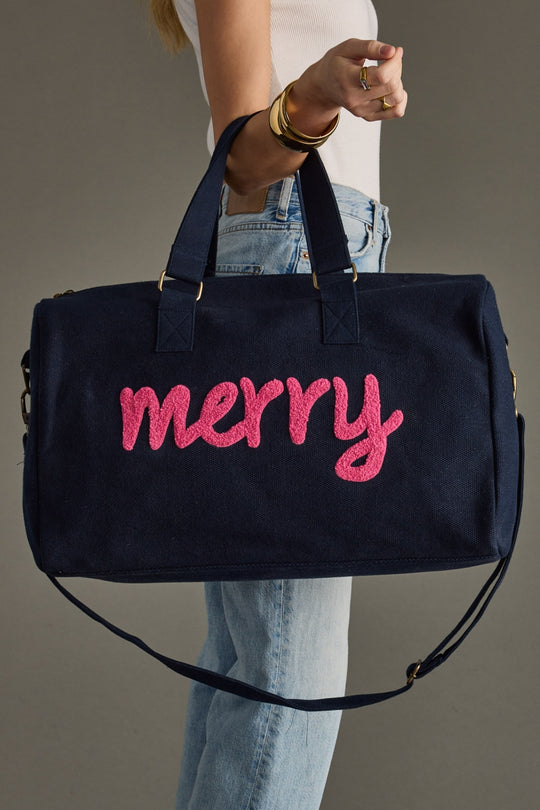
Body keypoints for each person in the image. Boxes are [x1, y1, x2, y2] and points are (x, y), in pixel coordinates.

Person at [149, 1, 407, 808]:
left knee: (252, 670)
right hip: (292, 254)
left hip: (304, 252)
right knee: (289, 677)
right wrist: (321, 91)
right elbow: (245, 156)